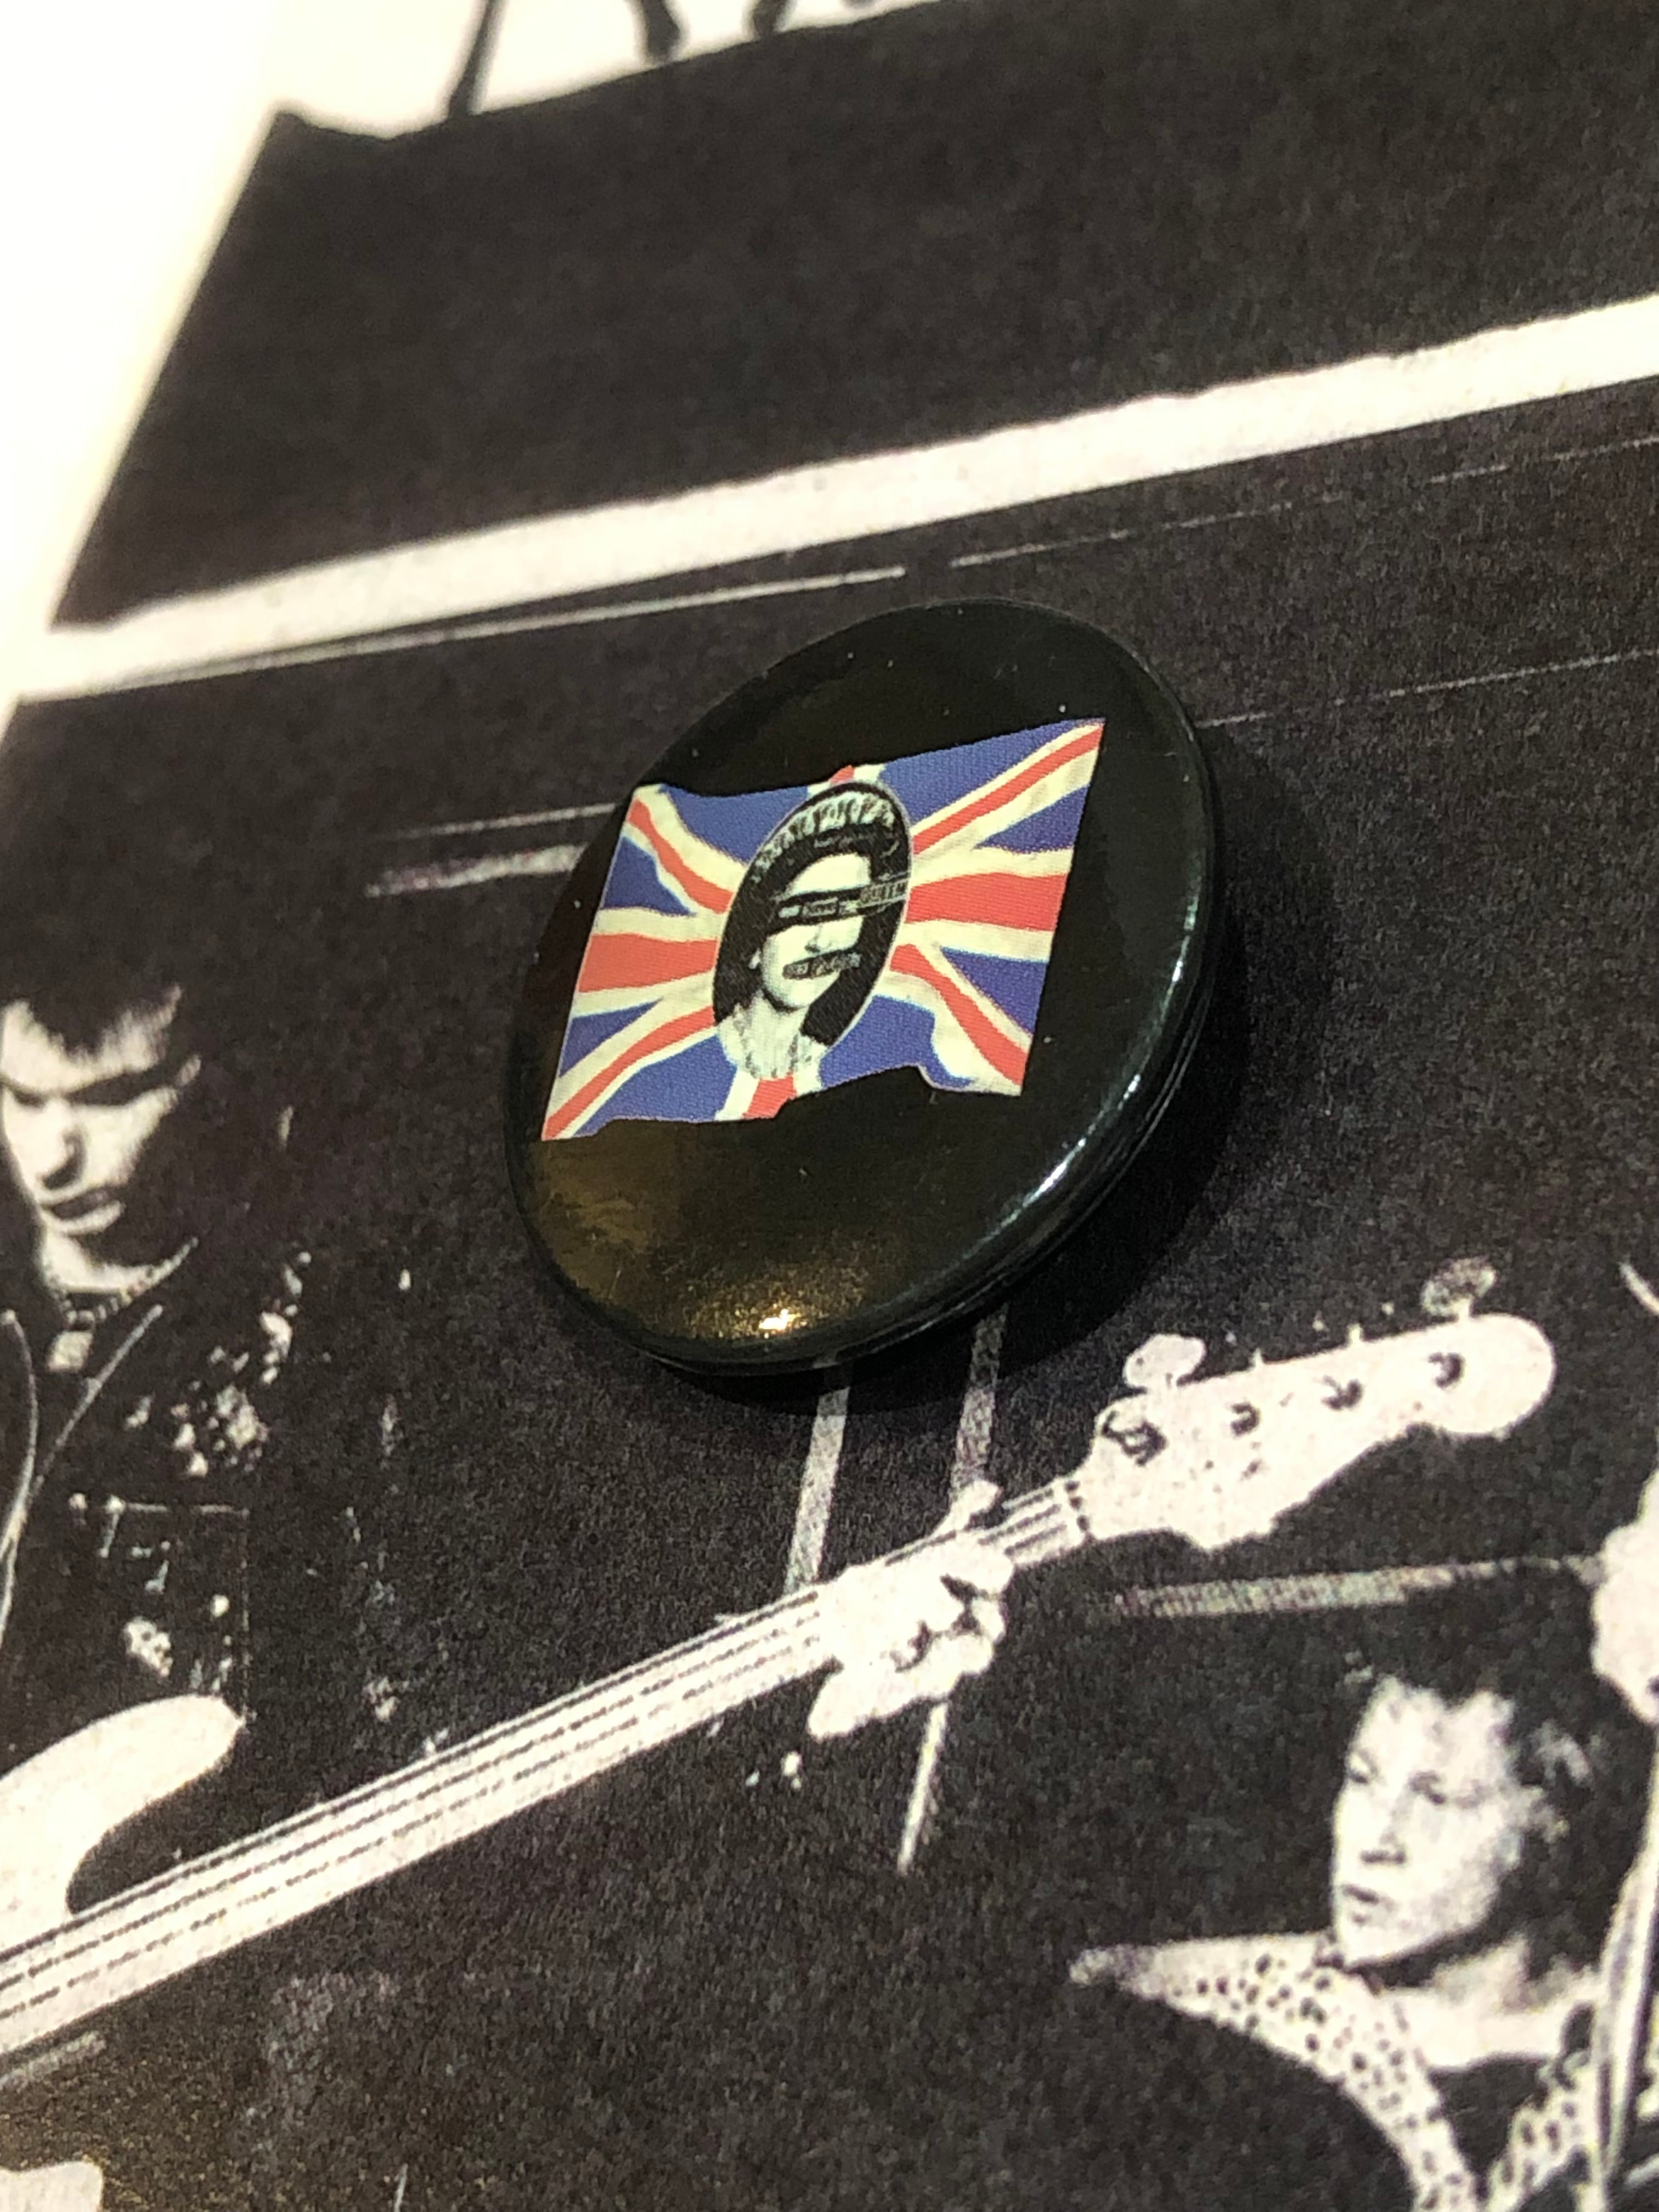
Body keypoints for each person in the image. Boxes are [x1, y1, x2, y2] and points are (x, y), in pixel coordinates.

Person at [1073, 1570, 1650, 2210]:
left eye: (1435, 1799)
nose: (1376, 1839)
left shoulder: (1637, 2058)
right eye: (1362, 1779)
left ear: (1559, 1821)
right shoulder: (1202, 2010)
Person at [711, 782, 907, 1100]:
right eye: (802, 914)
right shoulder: (706, 1053)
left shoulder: (825, 1060)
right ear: (758, 938)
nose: (823, 942)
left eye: (845, 912)